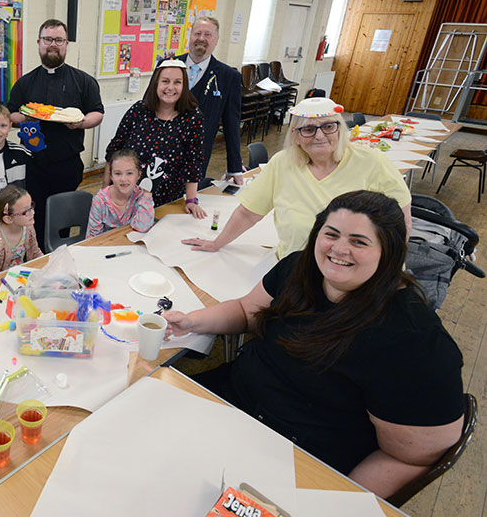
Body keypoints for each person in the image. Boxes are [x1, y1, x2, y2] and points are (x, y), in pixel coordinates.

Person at [163, 191, 465, 497]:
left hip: (296, 455)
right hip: (232, 400)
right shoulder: (300, 268)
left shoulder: (415, 341)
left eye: (359, 241)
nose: (339, 249)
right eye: (331, 234)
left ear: (389, 252)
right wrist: (193, 321)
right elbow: (246, 311)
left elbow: (411, 457)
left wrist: (334, 505)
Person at [184, 97, 412, 259]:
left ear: (340, 129)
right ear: (296, 136)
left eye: (328, 126)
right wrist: (217, 243)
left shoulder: (372, 162)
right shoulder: (282, 164)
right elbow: (247, 213)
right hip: (296, 269)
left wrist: (388, 269)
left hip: (353, 273)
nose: (320, 135)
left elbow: (402, 221)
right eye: (309, 129)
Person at [8, 19, 104, 247]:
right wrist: (27, 118)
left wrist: (80, 123)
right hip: (33, 165)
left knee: (64, 218)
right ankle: (36, 253)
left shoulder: (84, 81)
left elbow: (97, 113)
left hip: (67, 163)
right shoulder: (25, 83)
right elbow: (11, 116)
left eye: (59, 40)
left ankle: (62, 252)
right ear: (39, 43)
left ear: (66, 44)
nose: (53, 44)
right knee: (34, 216)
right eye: (48, 39)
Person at [105, 60, 206, 215]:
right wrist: (106, 190)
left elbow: (192, 161)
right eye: (165, 81)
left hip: (166, 201)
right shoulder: (139, 110)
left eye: (177, 82)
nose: (170, 88)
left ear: (184, 86)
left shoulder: (192, 118)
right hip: (125, 198)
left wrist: (191, 200)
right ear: (156, 83)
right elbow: (114, 150)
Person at [161, 16, 243, 181]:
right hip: (160, 150)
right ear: (190, 37)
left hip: (196, 157)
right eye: (197, 33)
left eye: (208, 35)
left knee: (187, 203)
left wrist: (235, 167)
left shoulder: (229, 77)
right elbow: (148, 109)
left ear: (216, 40)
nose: (201, 39)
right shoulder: (167, 66)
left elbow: (231, 124)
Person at [0, 185, 42, 279]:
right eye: (25, 212)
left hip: (22, 277)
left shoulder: (28, 227)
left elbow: (35, 253)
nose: (33, 213)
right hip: (1, 283)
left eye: (31, 206)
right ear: (8, 219)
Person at [88, 149, 155, 238]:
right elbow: (93, 238)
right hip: (106, 247)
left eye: (129, 173)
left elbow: (143, 227)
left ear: (138, 175)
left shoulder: (141, 197)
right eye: (118, 174)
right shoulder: (99, 201)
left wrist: (147, 196)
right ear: (111, 176)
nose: (123, 179)